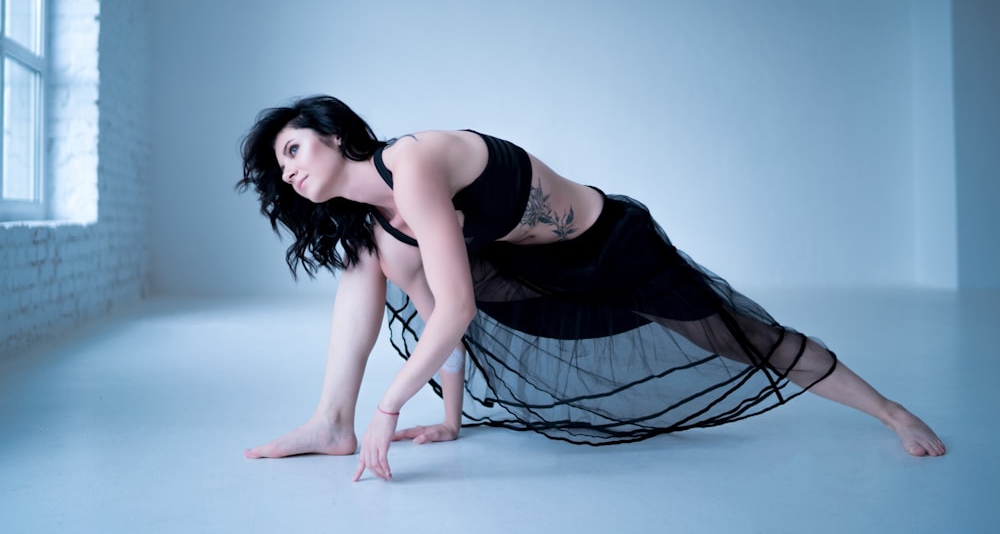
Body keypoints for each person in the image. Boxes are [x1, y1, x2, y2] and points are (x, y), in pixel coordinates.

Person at [236, 95, 945, 481]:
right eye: (280, 166)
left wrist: (390, 406)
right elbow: (439, 314)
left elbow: (457, 308)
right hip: (532, 273)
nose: (290, 169)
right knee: (372, 255)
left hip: (612, 245)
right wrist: (449, 419)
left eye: (294, 147)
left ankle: (891, 410)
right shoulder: (384, 227)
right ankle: (331, 420)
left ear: (332, 133)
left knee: (743, 340)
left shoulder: (410, 162)